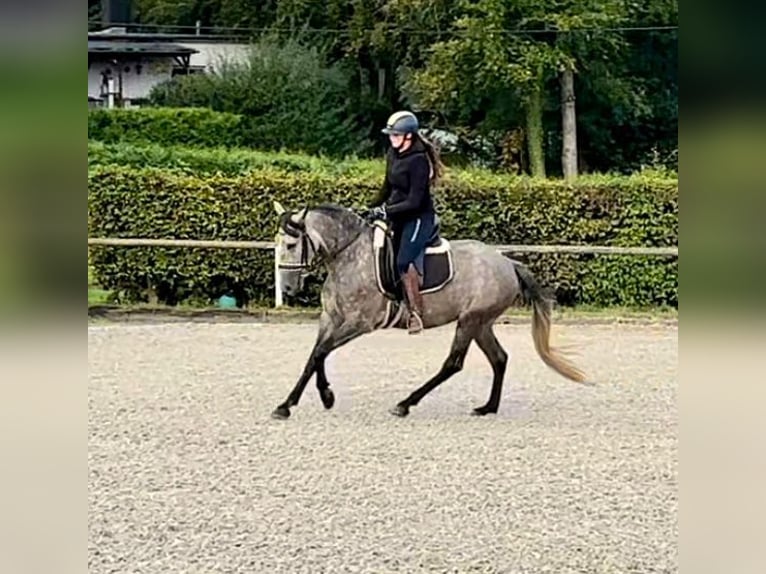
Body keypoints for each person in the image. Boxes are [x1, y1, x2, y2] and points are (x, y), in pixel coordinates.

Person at [367, 110, 444, 334]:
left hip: (419, 218)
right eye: (391, 135)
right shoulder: (393, 154)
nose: (391, 138)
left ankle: (415, 313)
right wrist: (371, 206)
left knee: (402, 261)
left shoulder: (419, 160)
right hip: (398, 215)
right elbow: (387, 186)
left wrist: (387, 210)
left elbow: (414, 201)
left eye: (395, 135)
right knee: (383, 252)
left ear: (408, 136)